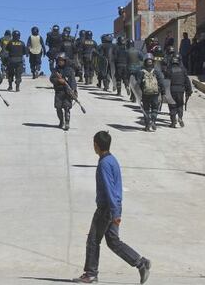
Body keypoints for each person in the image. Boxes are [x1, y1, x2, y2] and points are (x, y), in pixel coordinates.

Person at [73, 131, 151, 284]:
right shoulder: (112, 159)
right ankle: (141, 263)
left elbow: (109, 188)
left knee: (93, 240)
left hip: (107, 209)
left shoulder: (104, 164)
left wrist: (114, 213)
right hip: (114, 206)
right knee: (113, 241)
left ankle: (91, 274)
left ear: (96, 145)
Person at [137, 53, 165, 131]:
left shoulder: (141, 72)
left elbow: (138, 84)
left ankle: (147, 125)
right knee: (155, 109)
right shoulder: (156, 71)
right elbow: (161, 82)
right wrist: (163, 92)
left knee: (146, 109)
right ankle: (153, 121)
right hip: (155, 93)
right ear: (153, 62)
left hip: (145, 94)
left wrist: (138, 94)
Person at [49, 53, 77, 131]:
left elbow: (73, 82)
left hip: (67, 92)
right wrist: (58, 80)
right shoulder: (55, 70)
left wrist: (74, 91)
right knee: (58, 108)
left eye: (62, 60)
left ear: (65, 61)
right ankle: (61, 121)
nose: (60, 62)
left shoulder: (70, 70)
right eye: (59, 61)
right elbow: (51, 79)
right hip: (58, 92)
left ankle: (67, 123)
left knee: (67, 108)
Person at [165, 54, 192, 128]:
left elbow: (166, 81)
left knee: (172, 106)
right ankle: (180, 118)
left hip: (171, 90)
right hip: (181, 90)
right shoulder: (183, 70)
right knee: (180, 105)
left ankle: (173, 121)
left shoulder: (169, 70)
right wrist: (189, 90)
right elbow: (187, 81)